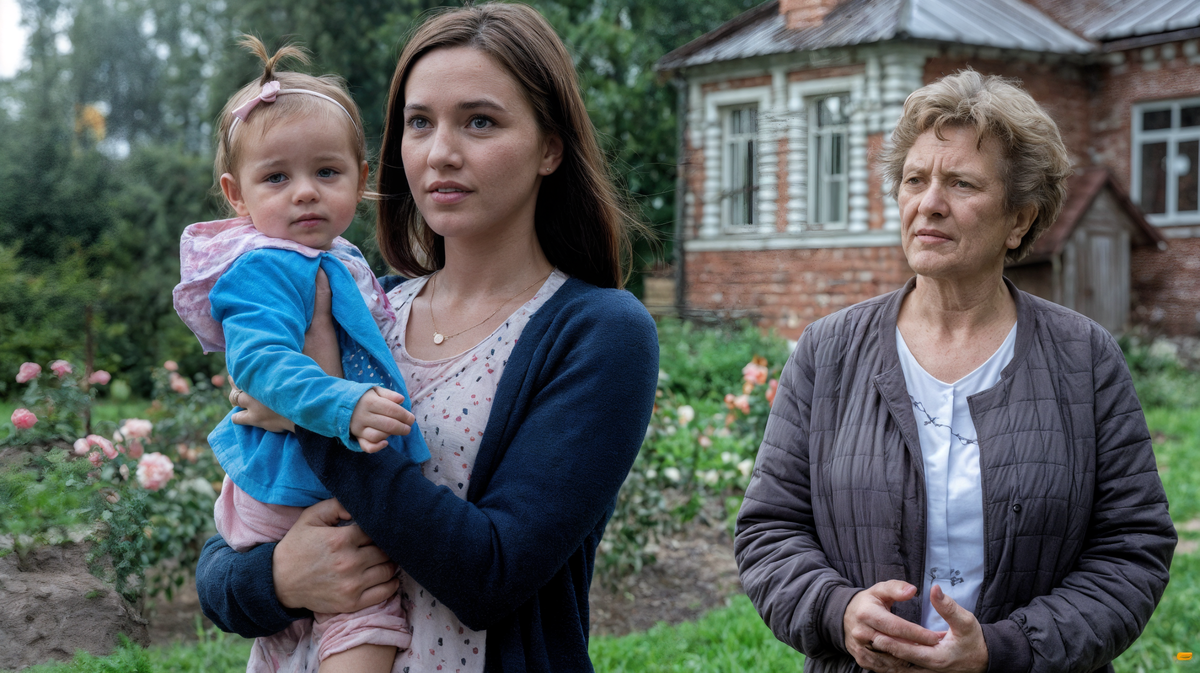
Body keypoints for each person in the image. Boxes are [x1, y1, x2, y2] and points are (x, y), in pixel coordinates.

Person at [194, 4, 660, 672]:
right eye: (419, 123)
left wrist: (318, 417)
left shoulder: (598, 333)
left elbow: (491, 575)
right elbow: (230, 543)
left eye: (480, 121)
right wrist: (278, 579)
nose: (441, 152)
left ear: (550, 148)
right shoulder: (366, 306)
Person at [735, 70, 1176, 673]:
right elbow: (770, 529)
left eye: (962, 183)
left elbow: (1132, 550)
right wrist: (839, 611)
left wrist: (1003, 650)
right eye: (915, 179)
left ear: (1019, 220)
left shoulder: (1085, 358)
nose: (929, 203)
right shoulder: (828, 351)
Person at [172, 37, 431, 673]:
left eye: (326, 173)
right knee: (365, 618)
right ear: (237, 194)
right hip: (290, 488)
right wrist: (342, 403)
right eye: (277, 178)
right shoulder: (261, 267)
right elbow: (258, 363)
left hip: (301, 485)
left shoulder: (336, 260)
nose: (305, 193)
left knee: (295, 641)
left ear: (361, 180)